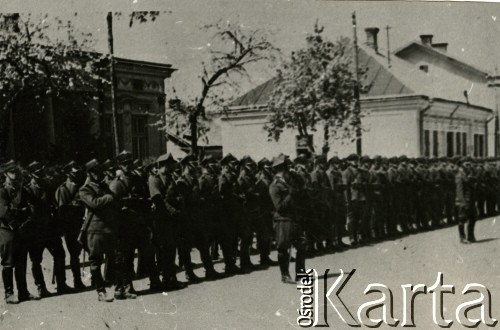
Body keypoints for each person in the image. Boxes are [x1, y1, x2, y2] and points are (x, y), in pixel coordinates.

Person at [79, 159, 123, 302]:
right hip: (95, 229)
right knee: (96, 261)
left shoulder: (105, 186)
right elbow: (94, 203)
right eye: (94, 172)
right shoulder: (85, 189)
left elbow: (114, 201)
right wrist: (109, 197)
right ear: (89, 174)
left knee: (116, 258)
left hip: (109, 228)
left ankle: (118, 289)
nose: (98, 175)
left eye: (99, 172)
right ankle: (100, 291)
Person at [0, 161, 39, 303]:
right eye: (11, 172)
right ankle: (9, 294)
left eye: (16, 172)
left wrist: (24, 216)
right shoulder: (2, 191)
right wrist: (18, 215)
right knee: (8, 263)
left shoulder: (22, 191)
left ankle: (23, 292)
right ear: (5, 174)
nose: (14, 175)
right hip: (7, 231)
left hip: (21, 230)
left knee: (21, 263)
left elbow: (30, 208)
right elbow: (3, 212)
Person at [148, 153, 187, 291]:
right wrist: (172, 211)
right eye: (169, 164)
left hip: (172, 220)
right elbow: (158, 199)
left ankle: (172, 278)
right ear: (163, 165)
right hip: (161, 220)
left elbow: (175, 195)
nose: (172, 166)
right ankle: (165, 279)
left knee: (171, 249)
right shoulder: (155, 179)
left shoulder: (170, 178)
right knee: (163, 250)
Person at [269, 153, 306, 284]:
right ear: (282, 169)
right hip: (282, 220)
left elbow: (301, 187)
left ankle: (300, 274)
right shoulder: (275, 186)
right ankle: (285, 275)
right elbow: (280, 207)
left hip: (293, 218)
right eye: (287, 168)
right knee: (283, 248)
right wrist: (291, 194)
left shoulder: (290, 181)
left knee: (301, 246)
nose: (290, 170)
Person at [55, 161, 86, 291]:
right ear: (68, 173)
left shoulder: (81, 186)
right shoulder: (63, 189)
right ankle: (77, 281)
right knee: (74, 254)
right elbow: (63, 210)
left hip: (81, 223)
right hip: (70, 226)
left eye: (78, 172)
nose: (77, 174)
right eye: (74, 172)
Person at [455, 159, 477, 244]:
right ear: (462, 165)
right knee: (462, 219)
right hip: (463, 201)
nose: (469, 166)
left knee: (473, 218)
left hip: (470, 200)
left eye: (469, 164)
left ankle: (470, 236)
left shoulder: (468, 175)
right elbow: (459, 190)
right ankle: (462, 238)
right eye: (467, 164)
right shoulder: (459, 175)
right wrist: (462, 202)